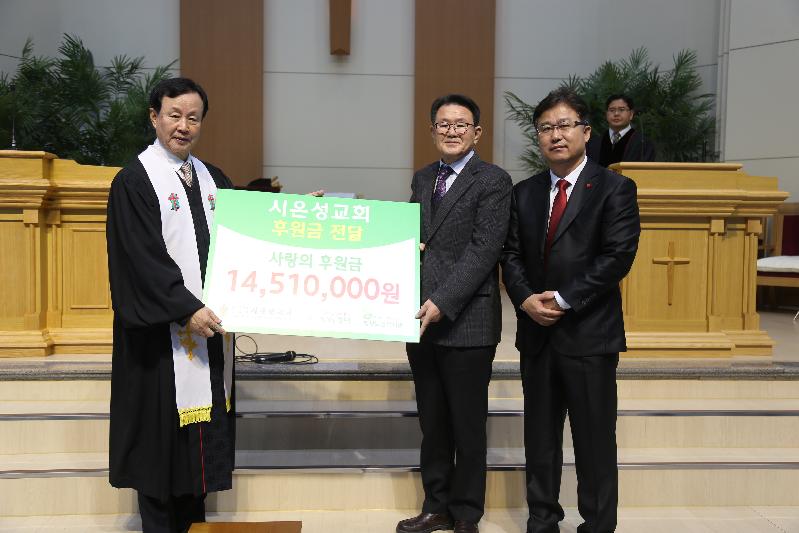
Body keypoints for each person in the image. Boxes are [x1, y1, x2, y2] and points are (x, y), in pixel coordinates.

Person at [501, 88, 640, 533]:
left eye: (564, 125)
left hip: (589, 334)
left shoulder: (615, 188)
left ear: (586, 131)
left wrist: (561, 299)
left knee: (594, 439)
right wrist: (525, 298)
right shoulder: (524, 192)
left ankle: (597, 525)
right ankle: (542, 520)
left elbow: (617, 257)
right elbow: (511, 255)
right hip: (537, 335)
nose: (555, 135)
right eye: (546, 128)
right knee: (539, 439)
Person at [106, 77, 235, 533]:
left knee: (197, 454)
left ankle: (194, 526)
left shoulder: (214, 179)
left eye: (193, 118)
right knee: (160, 452)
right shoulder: (135, 181)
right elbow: (139, 258)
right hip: (160, 343)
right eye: (174, 115)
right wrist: (185, 308)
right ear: (154, 117)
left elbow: (242, 235)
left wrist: (288, 221)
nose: (184, 126)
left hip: (206, 337)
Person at [397, 94, 512, 533]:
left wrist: (444, 300)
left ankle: (466, 513)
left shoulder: (493, 180)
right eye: (443, 124)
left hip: (467, 320)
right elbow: (411, 234)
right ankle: (436, 505)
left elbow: (485, 249)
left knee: (467, 425)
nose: (451, 131)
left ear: (476, 133)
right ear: (432, 131)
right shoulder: (423, 177)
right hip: (420, 320)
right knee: (433, 423)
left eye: (461, 124)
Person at [586, 93, 655, 167]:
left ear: (631, 114)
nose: (616, 114)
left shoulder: (643, 144)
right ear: (606, 114)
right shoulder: (593, 144)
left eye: (621, 110)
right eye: (612, 110)